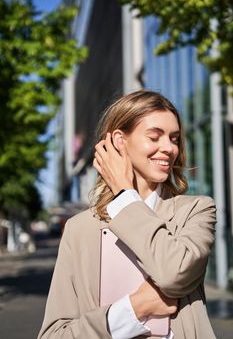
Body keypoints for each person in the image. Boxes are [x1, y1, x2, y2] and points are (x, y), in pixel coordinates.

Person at [38, 90, 216, 339]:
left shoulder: (195, 210)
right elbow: (54, 335)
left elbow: (175, 274)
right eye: (155, 137)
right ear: (120, 141)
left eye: (174, 139)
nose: (168, 148)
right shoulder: (79, 228)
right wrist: (132, 309)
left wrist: (125, 195)